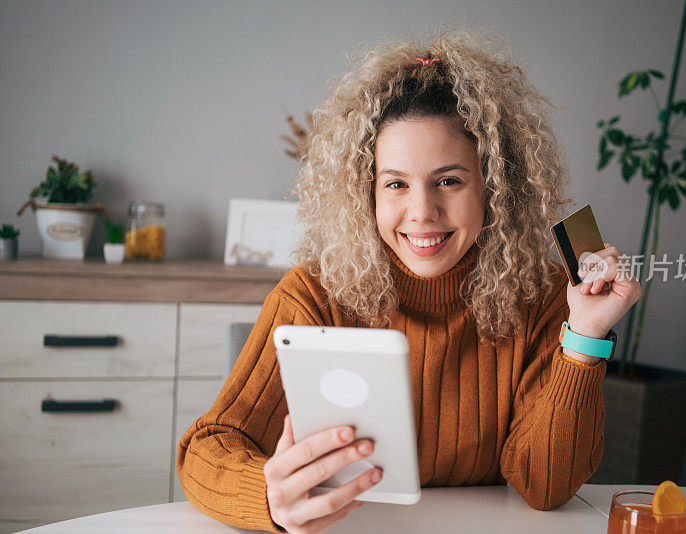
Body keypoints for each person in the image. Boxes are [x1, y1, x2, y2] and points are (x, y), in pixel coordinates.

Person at [176, 29, 641, 534]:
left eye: (449, 181)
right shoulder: (313, 294)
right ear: (366, 191)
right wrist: (268, 496)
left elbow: (545, 485)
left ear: (494, 186)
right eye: (395, 183)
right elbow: (207, 448)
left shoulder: (543, 295)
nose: (421, 212)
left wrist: (586, 338)